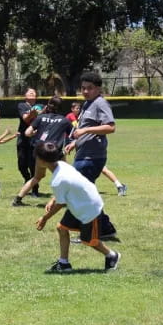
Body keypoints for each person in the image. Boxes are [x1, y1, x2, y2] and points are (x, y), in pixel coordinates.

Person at [35, 142, 121, 272]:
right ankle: (64, 264)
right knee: (62, 228)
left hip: (89, 207)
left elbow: (61, 203)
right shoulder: (62, 165)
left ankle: (112, 255)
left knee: (89, 241)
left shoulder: (58, 180)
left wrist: (45, 218)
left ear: (41, 161)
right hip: (81, 202)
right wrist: (53, 198)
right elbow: (67, 187)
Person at [64, 72, 117, 238]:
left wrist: (86, 130)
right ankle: (105, 228)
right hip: (83, 154)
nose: (85, 91)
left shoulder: (100, 104)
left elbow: (110, 127)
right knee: (86, 193)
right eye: (83, 88)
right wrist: (75, 142)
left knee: (82, 194)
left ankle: (90, 233)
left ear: (98, 89)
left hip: (92, 157)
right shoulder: (87, 104)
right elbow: (87, 129)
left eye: (90, 88)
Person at [12, 96, 72, 206]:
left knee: (37, 177)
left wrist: (34, 134)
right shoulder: (65, 121)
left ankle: (18, 199)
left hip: (39, 152)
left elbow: (27, 133)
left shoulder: (41, 117)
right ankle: (61, 200)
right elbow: (74, 134)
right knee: (64, 176)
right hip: (52, 153)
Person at [66, 102, 127, 196]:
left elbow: (108, 128)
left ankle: (119, 185)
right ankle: (118, 185)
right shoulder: (79, 114)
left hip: (92, 149)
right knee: (100, 170)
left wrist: (82, 132)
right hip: (83, 146)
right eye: (76, 108)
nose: (77, 110)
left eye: (78, 108)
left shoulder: (96, 113)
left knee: (97, 170)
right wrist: (75, 142)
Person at [16, 88, 42, 197]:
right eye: (29, 92)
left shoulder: (40, 106)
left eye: (34, 92)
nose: (32, 93)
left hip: (35, 139)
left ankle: (34, 188)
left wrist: (38, 112)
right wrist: (33, 113)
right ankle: (28, 181)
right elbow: (26, 119)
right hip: (23, 138)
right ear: (25, 95)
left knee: (33, 164)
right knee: (22, 164)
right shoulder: (22, 106)